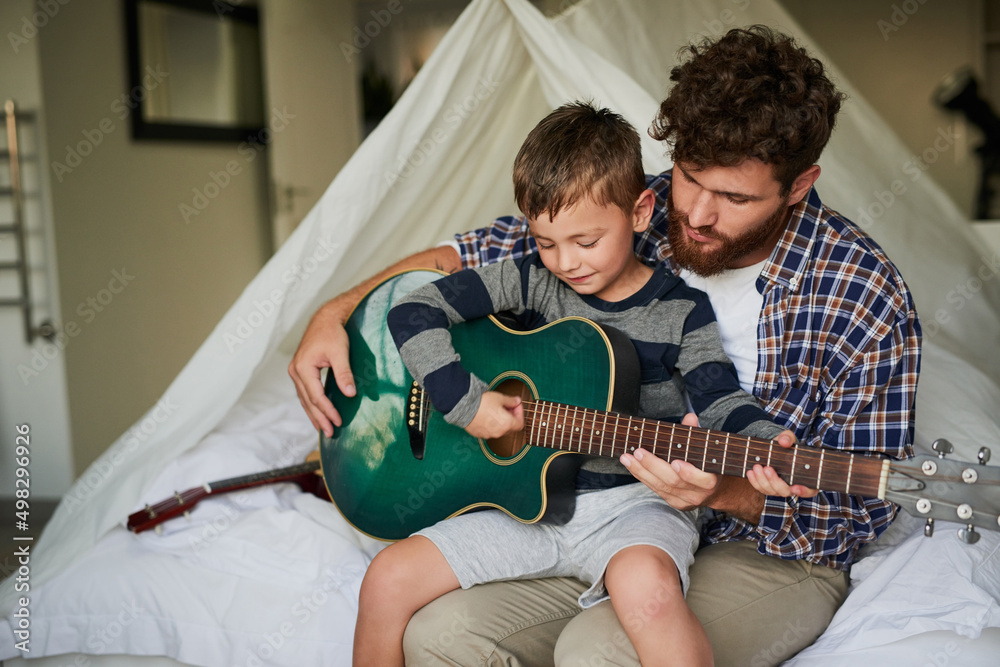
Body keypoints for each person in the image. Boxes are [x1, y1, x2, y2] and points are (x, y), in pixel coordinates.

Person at [291, 26, 921, 666]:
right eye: (689, 177)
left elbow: (848, 519)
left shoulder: (863, 296)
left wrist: (728, 490)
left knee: (600, 653)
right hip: (560, 497)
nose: (698, 215)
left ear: (798, 185)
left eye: (733, 197)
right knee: (435, 633)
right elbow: (473, 257)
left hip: (762, 543)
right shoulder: (618, 210)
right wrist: (336, 311)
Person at [353, 102, 802, 667]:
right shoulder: (531, 280)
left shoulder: (681, 311)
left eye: (585, 241)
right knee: (387, 578)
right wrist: (465, 404)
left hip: (635, 507)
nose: (565, 261)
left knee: (650, 590)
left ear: (640, 213)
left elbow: (720, 399)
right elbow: (413, 310)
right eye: (546, 242)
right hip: (527, 506)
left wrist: (763, 440)